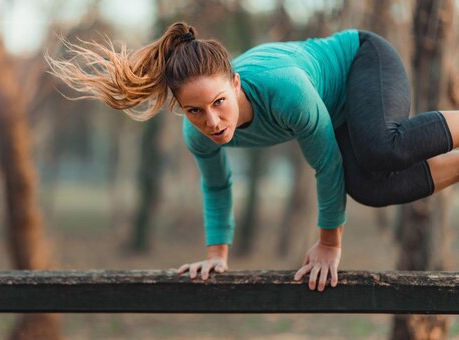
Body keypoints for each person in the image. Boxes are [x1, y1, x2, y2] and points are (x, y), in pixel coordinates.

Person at [46, 22, 459, 292]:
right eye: (194, 110)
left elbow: (326, 165)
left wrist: (329, 245)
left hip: (363, 62)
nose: (211, 120)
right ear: (181, 109)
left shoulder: (286, 92)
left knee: (381, 148)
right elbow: (217, 185)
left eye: (219, 102)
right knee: (368, 187)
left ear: (237, 84)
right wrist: (216, 256)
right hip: (337, 111)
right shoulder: (198, 134)